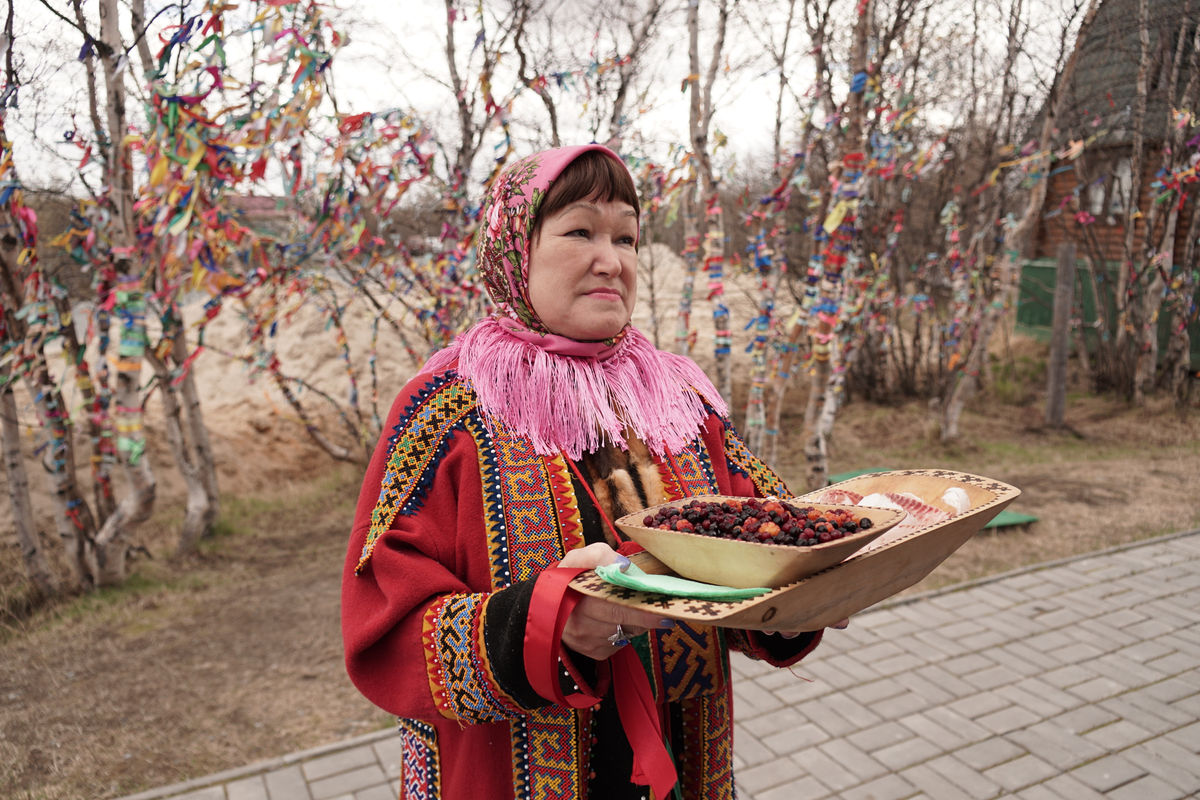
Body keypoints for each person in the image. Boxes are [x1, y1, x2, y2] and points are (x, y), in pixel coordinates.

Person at [341, 144, 836, 800]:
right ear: (515, 250)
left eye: (626, 237)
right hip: (503, 775)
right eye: (580, 231)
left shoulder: (675, 402)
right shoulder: (446, 412)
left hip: (680, 764)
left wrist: (808, 593)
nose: (613, 260)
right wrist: (548, 624)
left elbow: (755, 544)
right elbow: (387, 623)